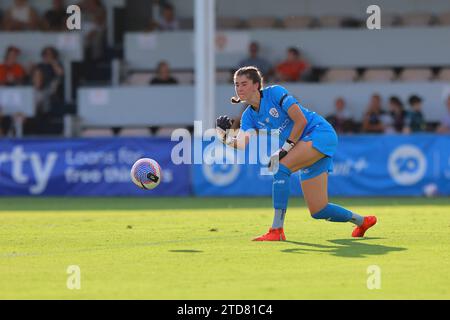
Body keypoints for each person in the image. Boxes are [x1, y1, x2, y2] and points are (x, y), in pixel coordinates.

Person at [216, 66, 377, 241]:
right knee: (319, 210)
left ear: (256, 85)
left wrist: (284, 149)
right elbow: (240, 144)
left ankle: (276, 230)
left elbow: (301, 121)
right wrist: (223, 136)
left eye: (244, 84)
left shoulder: (275, 92)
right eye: (236, 84)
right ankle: (362, 221)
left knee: (280, 168)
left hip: (319, 133)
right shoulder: (248, 116)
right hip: (303, 144)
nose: (239, 88)